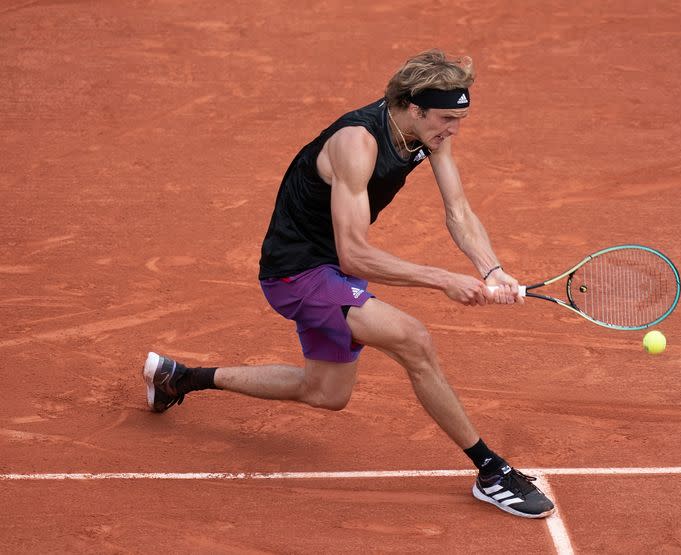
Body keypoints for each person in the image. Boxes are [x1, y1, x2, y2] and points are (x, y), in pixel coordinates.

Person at [143, 49, 555, 519]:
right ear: (414, 107)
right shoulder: (356, 144)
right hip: (297, 271)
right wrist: (442, 278)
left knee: (326, 393)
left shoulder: (427, 133)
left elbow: (458, 211)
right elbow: (354, 252)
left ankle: (179, 379)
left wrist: (490, 269)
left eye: (459, 118)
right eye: (446, 118)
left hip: (330, 270)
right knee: (414, 340)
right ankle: (491, 471)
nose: (453, 130)